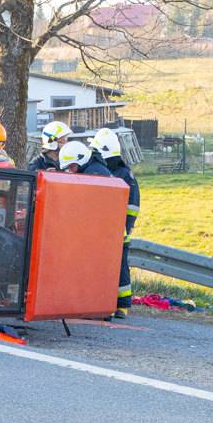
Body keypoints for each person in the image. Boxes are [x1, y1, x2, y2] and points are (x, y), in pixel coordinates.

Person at [90, 128, 140, 319]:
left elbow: (132, 207)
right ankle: (114, 303)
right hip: (113, 230)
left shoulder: (123, 175)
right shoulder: (120, 173)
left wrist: (123, 227)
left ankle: (122, 304)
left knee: (118, 267)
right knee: (115, 267)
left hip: (117, 231)